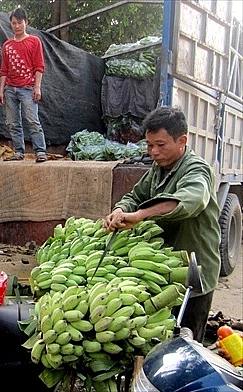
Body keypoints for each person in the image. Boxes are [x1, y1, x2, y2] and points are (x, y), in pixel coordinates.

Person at [103, 106, 221, 343]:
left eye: (160, 144)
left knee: (186, 343)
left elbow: (191, 200)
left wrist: (141, 215)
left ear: (182, 141)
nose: (153, 152)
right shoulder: (158, 169)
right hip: (162, 269)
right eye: (149, 145)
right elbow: (135, 196)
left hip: (193, 274)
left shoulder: (196, 170)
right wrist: (120, 209)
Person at [0, 7, 47, 163]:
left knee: (33, 120)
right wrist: (1, 91)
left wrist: (37, 87)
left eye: (19, 23)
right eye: (13, 23)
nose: (16, 26)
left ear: (26, 22)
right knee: (13, 123)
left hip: (28, 88)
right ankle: (18, 152)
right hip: (10, 89)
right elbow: (4, 69)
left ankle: (40, 151)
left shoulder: (34, 41)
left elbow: (39, 66)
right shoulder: (7, 46)